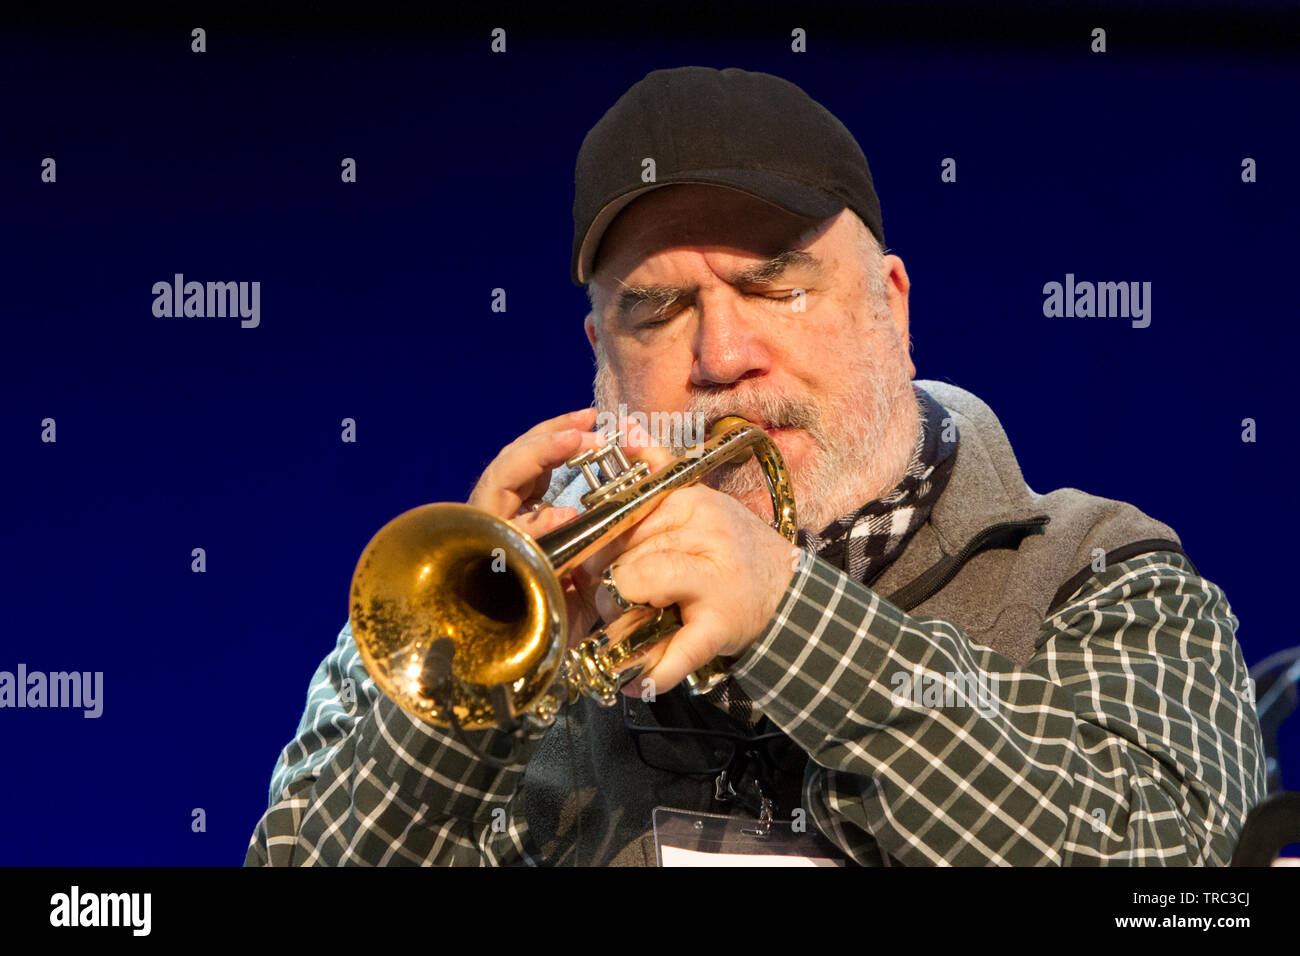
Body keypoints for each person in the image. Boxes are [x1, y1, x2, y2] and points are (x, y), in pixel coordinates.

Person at [245, 66, 1267, 866]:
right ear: (598, 355)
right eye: (656, 310)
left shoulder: (1106, 577)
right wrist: (467, 687)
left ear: (893, 310)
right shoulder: (475, 600)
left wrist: (791, 620)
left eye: (773, 285)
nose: (721, 357)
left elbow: (1170, 867)